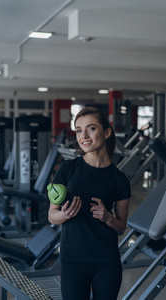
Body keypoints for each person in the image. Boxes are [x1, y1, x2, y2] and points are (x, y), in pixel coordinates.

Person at [48, 107, 131, 300]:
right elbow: (52, 215)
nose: (83, 135)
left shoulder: (119, 179)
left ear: (107, 132)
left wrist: (107, 217)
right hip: (72, 259)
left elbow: (121, 227)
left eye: (91, 128)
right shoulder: (67, 169)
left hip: (106, 261)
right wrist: (65, 214)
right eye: (78, 130)